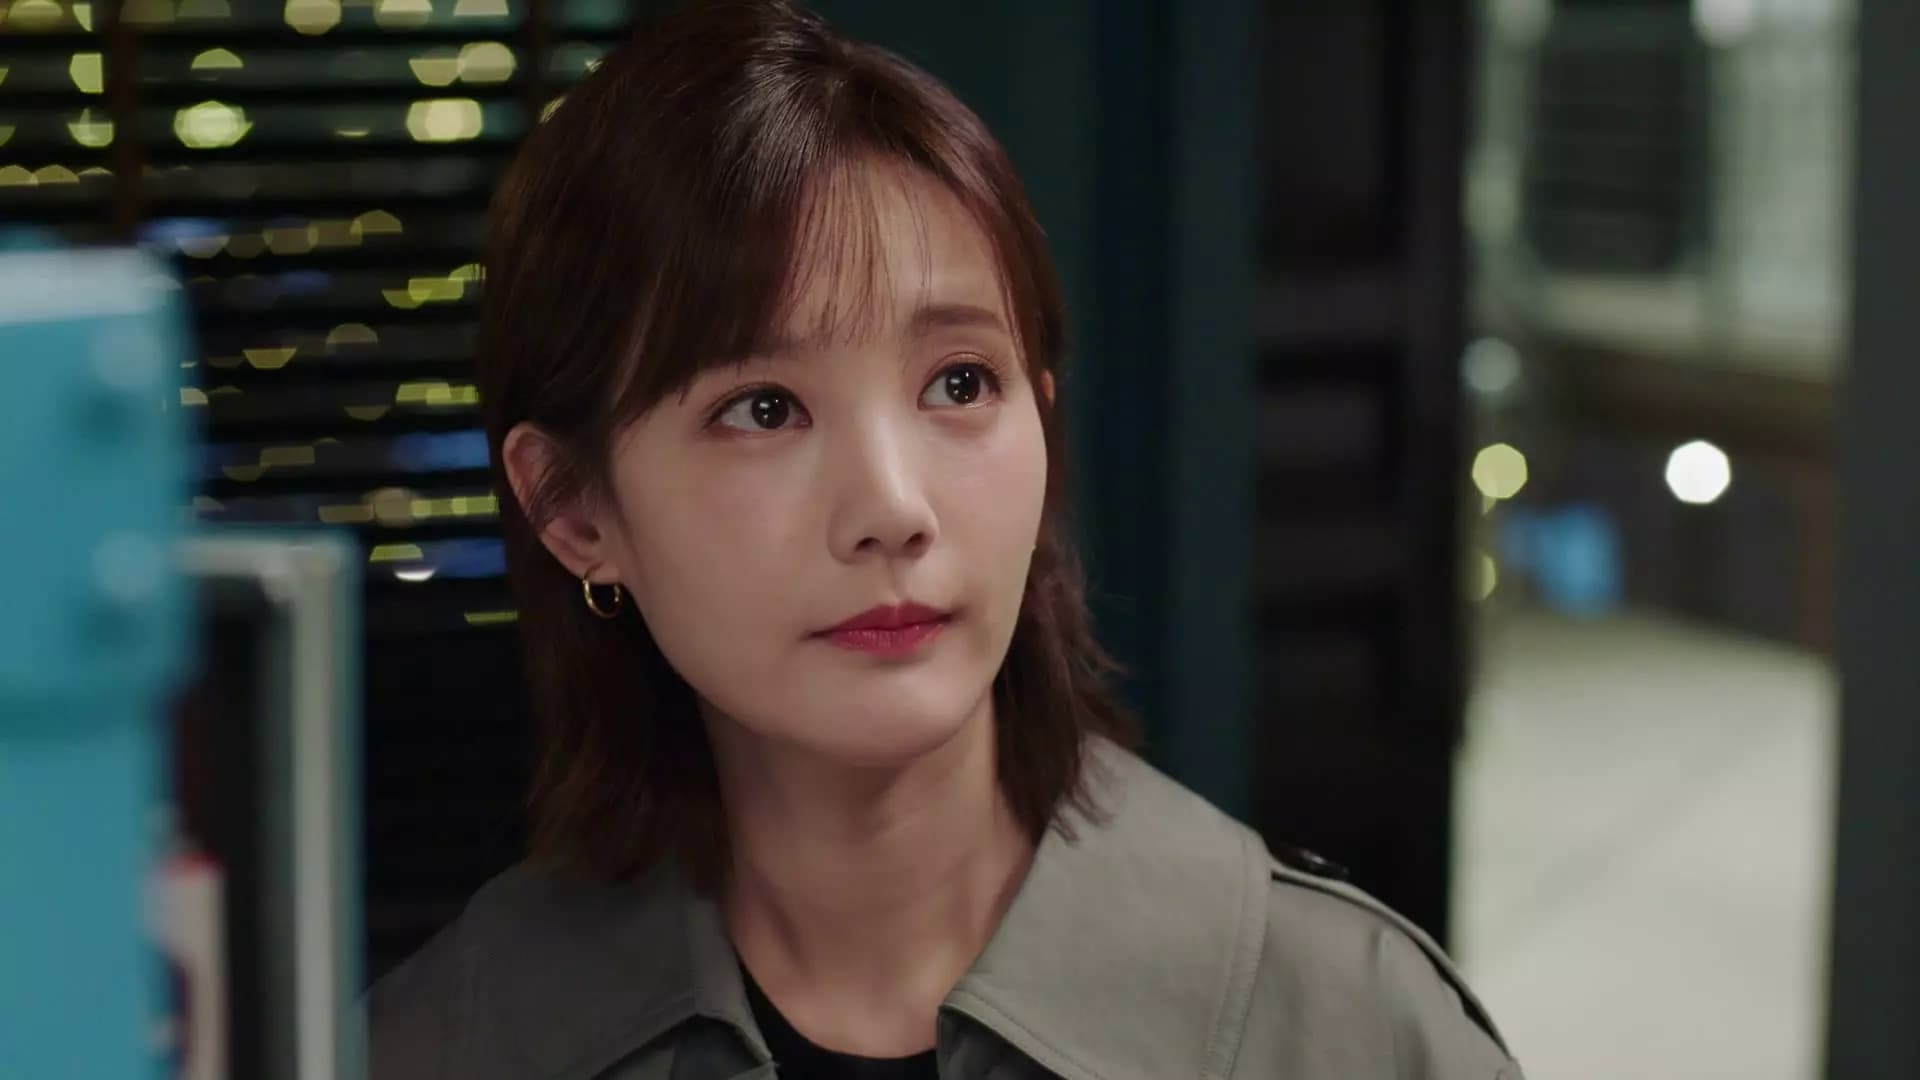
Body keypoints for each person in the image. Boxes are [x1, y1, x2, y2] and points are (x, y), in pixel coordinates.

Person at [366, 2, 1524, 1077]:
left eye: (960, 382)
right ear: (574, 509)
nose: (893, 506)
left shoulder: (1347, 1026)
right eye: (763, 408)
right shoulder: (440, 1046)